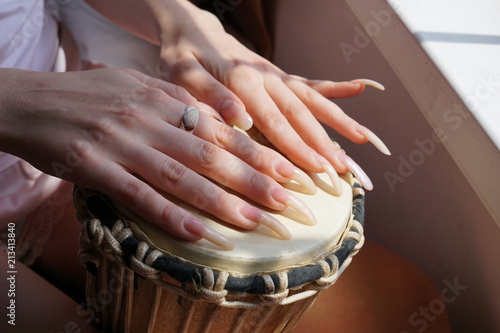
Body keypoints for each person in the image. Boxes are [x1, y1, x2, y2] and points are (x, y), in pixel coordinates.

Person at [0, 0, 451, 332]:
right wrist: (20, 105)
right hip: (14, 204)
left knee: (407, 305)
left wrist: (183, 18)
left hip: (91, 93)